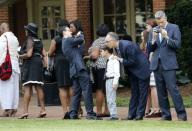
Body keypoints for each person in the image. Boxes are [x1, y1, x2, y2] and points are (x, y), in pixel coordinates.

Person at [148, 10, 187, 121]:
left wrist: (167, 37)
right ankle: (166, 115)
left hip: (169, 64)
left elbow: (177, 44)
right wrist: (154, 39)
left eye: (161, 21)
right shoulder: (153, 30)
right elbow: (150, 49)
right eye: (157, 21)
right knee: (161, 91)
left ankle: (182, 115)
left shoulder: (174, 28)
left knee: (173, 90)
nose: (159, 23)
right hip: (156, 64)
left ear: (165, 18)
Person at [105, 32, 150, 120]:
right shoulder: (116, 47)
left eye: (107, 41)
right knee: (134, 93)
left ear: (113, 40)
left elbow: (132, 61)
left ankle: (139, 115)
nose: (106, 43)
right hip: (133, 72)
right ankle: (131, 115)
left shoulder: (127, 45)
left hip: (142, 70)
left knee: (142, 94)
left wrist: (119, 59)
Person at [62, 26, 99, 120]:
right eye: (67, 30)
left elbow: (80, 51)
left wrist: (81, 42)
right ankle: (90, 113)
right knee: (87, 91)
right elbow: (81, 39)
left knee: (77, 93)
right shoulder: (67, 40)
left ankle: (73, 113)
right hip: (79, 69)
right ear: (64, 33)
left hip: (74, 70)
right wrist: (80, 34)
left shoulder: (68, 42)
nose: (70, 30)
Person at [18, 23, 47, 119]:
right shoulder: (39, 41)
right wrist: (45, 65)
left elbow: (29, 54)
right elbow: (44, 54)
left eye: (26, 30)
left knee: (27, 88)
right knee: (39, 87)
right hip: (38, 63)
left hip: (30, 64)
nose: (25, 31)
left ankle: (25, 111)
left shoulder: (30, 40)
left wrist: (19, 56)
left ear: (29, 31)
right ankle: (43, 110)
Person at [48, 19, 72, 119]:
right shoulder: (71, 38)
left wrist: (54, 53)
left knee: (62, 87)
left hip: (60, 62)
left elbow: (49, 53)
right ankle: (73, 110)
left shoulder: (56, 39)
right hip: (70, 60)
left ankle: (65, 111)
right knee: (71, 86)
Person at [87, 24, 110, 117]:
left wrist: (89, 55)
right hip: (109, 66)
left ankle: (99, 111)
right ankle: (108, 110)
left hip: (100, 67)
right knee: (107, 89)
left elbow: (95, 55)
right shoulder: (109, 40)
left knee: (99, 89)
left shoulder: (97, 41)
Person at [0, 23, 20, 117]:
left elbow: (1, 52)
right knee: (14, 88)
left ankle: (6, 109)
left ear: (3, 29)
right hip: (15, 65)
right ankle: (14, 108)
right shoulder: (15, 38)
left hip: (6, 66)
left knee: (5, 88)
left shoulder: (3, 38)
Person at [140, 30, 161, 118]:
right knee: (148, 89)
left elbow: (150, 56)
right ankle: (147, 109)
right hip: (146, 69)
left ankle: (156, 109)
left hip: (151, 67)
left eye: (142, 35)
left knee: (153, 87)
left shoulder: (150, 45)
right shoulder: (143, 45)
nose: (141, 37)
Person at [101, 46, 120, 120]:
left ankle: (114, 115)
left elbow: (117, 73)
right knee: (109, 98)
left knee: (111, 98)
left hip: (112, 80)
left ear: (106, 51)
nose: (101, 53)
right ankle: (112, 114)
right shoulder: (108, 60)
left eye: (102, 51)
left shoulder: (114, 60)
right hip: (107, 80)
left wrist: (115, 83)